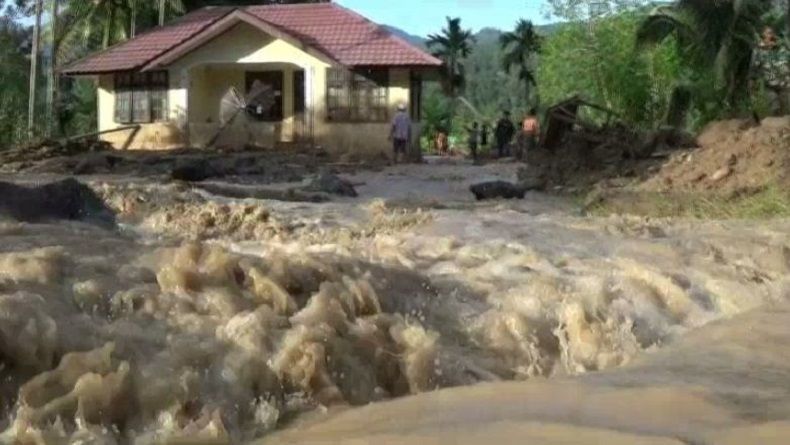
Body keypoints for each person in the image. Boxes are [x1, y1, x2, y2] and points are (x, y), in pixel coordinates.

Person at [752, 26, 790, 116]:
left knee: (785, 108)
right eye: (767, 33)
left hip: (784, 84)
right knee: (775, 107)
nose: (769, 35)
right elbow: (754, 67)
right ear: (763, 35)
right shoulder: (758, 51)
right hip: (769, 84)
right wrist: (753, 81)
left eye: (771, 33)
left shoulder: (782, 48)